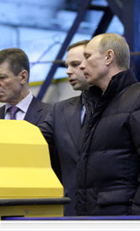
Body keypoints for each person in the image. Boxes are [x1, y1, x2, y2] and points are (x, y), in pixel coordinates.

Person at [76, 33, 140, 216]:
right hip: (96, 221)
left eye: (88, 56)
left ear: (108, 57)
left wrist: (136, 221)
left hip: (121, 222)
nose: (82, 65)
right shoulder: (99, 107)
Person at [39, 40, 90, 216]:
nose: (68, 71)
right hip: (70, 211)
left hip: (112, 215)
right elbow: (32, 139)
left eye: (75, 65)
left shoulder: (121, 107)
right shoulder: (59, 111)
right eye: (67, 66)